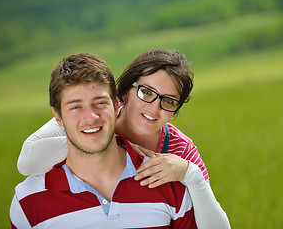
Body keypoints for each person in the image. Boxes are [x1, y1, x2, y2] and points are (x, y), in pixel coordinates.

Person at [17, 49, 231, 228]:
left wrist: (191, 175)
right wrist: (102, 141)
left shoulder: (179, 149)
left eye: (169, 101)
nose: (154, 108)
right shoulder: (95, 111)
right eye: (146, 92)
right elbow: (26, 162)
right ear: (125, 91)